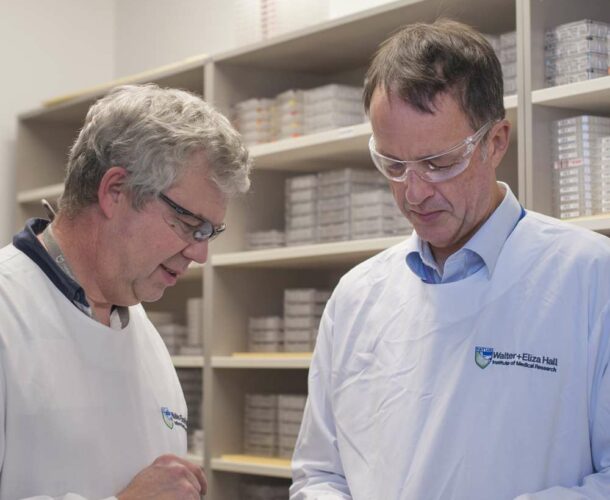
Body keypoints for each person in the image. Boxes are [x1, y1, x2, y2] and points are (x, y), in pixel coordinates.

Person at [291, 19, 610, 499]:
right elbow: (318, 473)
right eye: (393, 165)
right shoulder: (357, 295)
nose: (414, 193)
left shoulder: (589, 276)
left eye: (440, 163)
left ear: (496, 142)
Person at [0, 84, 251, 499]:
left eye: (211, 232)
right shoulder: (10, 312)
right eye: (190, 225)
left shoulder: (140, 329)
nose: (201, 253)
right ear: (115, 190)